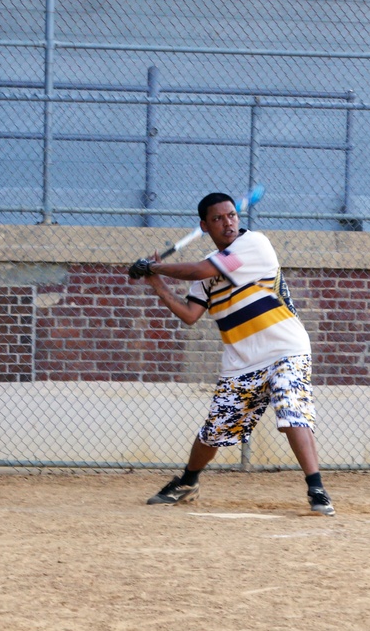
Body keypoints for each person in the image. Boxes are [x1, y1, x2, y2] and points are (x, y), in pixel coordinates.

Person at [131, 191, 335, 516]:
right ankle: (187, 482)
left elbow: (198, 270)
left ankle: (317, 489)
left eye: (231, 216)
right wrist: (155, 281)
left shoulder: (253, 245)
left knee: (291, 409)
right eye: (218, 219)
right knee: (215, 430)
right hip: (242, 362)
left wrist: (156, 265)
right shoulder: (208, 272)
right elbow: (189, 314)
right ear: (205, 225)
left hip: (286, 349)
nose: (227, 222)